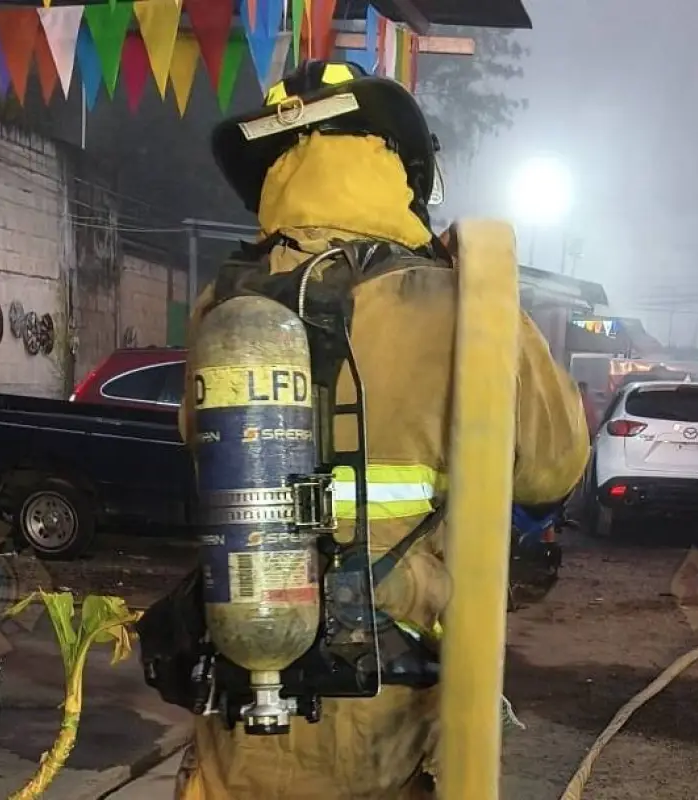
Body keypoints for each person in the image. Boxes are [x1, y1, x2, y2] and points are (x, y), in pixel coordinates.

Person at [171, 60, 589, 799]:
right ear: (398, 163)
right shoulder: (462, 303)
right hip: (391, 717)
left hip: (244, 712)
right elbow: (553, 468)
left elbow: (197, 445)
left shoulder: (223, 303)